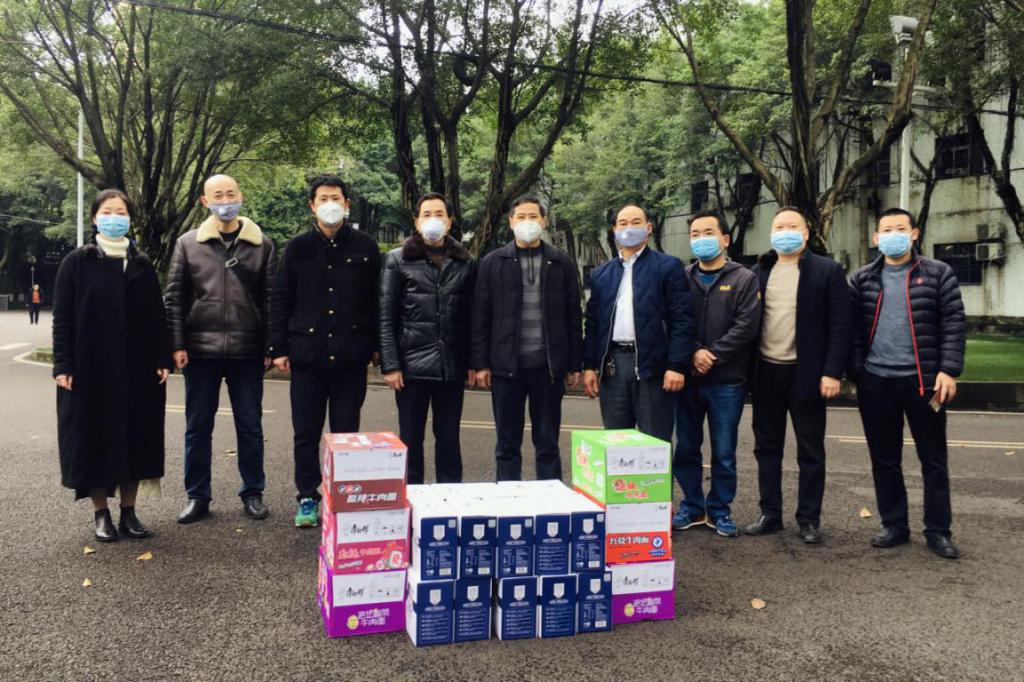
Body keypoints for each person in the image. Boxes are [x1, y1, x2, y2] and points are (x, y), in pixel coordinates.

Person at [52, 189, 171, 541]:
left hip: (138, 368)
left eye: (121, 212)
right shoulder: (77, 262)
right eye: (107, 211)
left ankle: (129, 512)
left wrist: (162, 357)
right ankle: (101, 512)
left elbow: (157, 316)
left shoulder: (141, 264)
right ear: (94, 218)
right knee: (94, 438)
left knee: (137, 437)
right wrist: (63, 365)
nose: (114, 218)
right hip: (90, 368)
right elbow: (62, 318)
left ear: (130, 219)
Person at [849, 208, 965, 559]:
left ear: (914, 234)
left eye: (900, 228)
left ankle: (938, 531)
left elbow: (953, 322)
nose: (893, 235)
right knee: (884, 459)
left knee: (933, 460)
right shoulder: (863, 278)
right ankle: (894, 525)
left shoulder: (938, 273)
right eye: (886, 230)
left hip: (923, 382)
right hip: (876, 382)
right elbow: (851, 329)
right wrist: (858, 372)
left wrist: (948, 369)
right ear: (876, 238)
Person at [269, 174, 381, 527]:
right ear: (312, 205)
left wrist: (377, 346)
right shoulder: (297, 248)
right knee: (306, 433)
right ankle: (307, 496)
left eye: (336, 198)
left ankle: (342, 496)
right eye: (323, 198)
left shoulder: (366, 247)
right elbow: (281, 297)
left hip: (351, 355)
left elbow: (377, 300)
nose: (330, 204)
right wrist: (278, 347)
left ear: (347, 204)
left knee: (346, 434)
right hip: (308, 354)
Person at [165, 174, 277, 524]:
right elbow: (174, 298)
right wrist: (177, 344)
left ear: (241, 196)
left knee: (250, 425)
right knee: (197, 427)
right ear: (205, 201)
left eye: (230, 194)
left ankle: (253, 492)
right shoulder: (188, 244)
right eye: (217, 195)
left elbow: (272, 300)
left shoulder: (262, 245)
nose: (225, 200)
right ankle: (197, 496)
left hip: (248, 350)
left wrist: (271, 345)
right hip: (200, 351)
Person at [745, 206, 850, 544]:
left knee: (810, 449)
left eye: (792, 226)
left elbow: (840, 326)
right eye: (779, 227)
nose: (785, 232)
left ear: (805, 233)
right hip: (766, 372)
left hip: (807, 374)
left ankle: (809, 519)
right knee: (766, 447)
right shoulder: (759, 272)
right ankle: (770, 513)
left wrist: (832, 372)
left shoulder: (827, 271)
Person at [472, 194, 582, 480]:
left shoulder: (561, 262)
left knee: (548, 444)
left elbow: (573, 315)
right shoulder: (493, 262)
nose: (527, 222)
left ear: (543, 221)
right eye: (521, 217)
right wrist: (481, 363)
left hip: (547, 368)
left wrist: (574, 364)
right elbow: (481, 316)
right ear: (511, 222)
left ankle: (549, 499)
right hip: (506, 368)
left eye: (533, 217)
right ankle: (509, 498)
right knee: (507, 444)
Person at [672, 211, 761, 537]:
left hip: (727, 380)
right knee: (686, 447)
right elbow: (674, 319)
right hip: (688, 378)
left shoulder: (744, 278)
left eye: (708, 233)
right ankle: (692, 507)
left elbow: (746, 325)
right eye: (695, 234)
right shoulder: (682, 277)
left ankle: (720, 510)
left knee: (723, 452)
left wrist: (713, 354)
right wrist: (694, 351)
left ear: (725, 239)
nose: (701, 239)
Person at [379, 193, 475, 484]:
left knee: (449, 440)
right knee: (410, 440)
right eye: (427, 214)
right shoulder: (397, 259)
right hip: (411, 368)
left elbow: (472, 317)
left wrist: (472, 362)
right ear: (417, 221)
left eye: (439, 214)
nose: (433, 220)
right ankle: (412, 497)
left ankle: (449, 498)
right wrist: (391, 364)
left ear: (449, 221)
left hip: (451, 366)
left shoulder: (465, 262)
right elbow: (386, 316)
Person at [582, 204, 694, 442]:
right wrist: (590, 366)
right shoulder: (601, 274)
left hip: (653, 365)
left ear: (649, 228)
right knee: (616, 441)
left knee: (655, 442)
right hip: (613, 365)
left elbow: (682, 319)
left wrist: (676, 365)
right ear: (614, 230)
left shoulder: (668, 267)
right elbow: (593, 324)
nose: (629, 228)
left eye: (636, 222)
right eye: (623, 223)